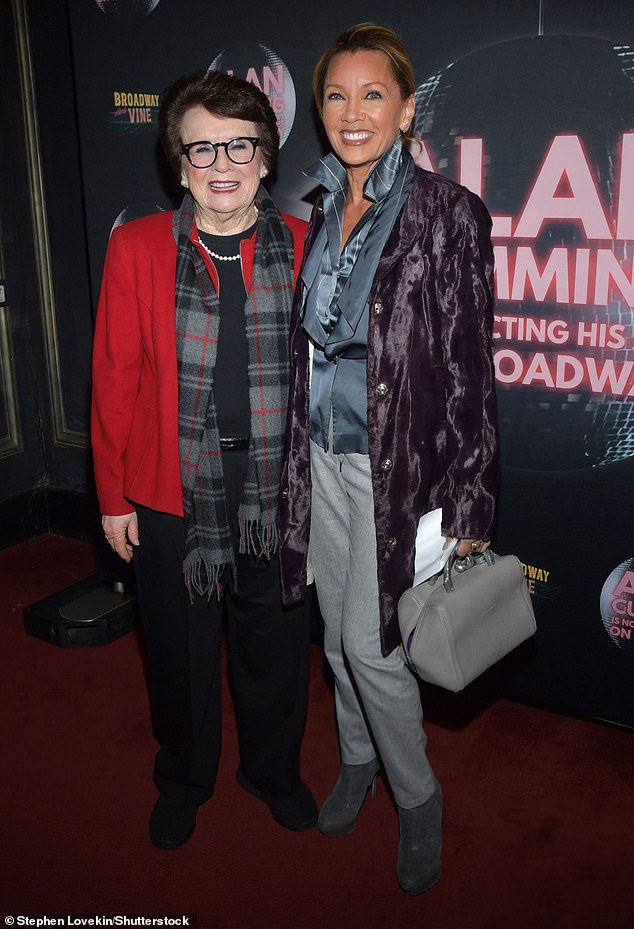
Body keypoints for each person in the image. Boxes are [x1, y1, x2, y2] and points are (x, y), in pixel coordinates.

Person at [279, 24, 498, 894]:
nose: (351, 112)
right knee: (334, 637)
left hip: (397, 469)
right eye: (335, 95)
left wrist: (473, 497)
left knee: (374, 648)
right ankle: (360, 759)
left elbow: (472, 368)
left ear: (408, 108)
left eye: (373, 94)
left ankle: (419, 798)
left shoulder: (449, 214)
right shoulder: (323, 207)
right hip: (323, 459)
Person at [91, 69, 317, 850]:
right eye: (201, 149)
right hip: (168, 493)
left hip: (275, 491)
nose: (221, 164)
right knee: (179, 655)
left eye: (239, 144)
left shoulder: (305, 244)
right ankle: (184, 774)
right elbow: (114, 378)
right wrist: (113, 496)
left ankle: (273, 771)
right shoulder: (138, 246)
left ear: (265, 155)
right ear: (178, 163)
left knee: (277, 647)